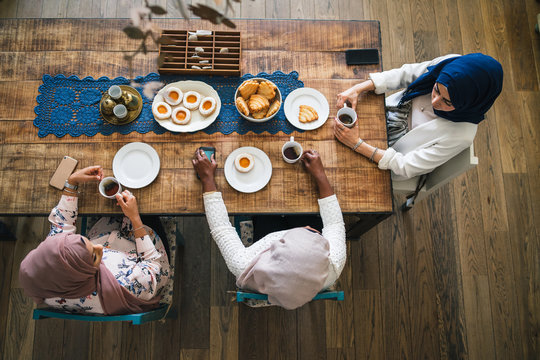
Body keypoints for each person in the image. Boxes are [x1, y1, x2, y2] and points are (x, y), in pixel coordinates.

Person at [192, 148, 346, 310]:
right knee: (307, 213)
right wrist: (320, 174)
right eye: (311, 233)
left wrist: (207, 178)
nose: (307, 228)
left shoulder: (244, 265)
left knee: (265, 213)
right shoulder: (334, 264)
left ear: (273, 248)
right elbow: (334, 224)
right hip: (302, 283)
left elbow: (221, 229)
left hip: (269, 265)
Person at [19, 165, 171, 315]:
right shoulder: (127, 284)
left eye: (86, 241)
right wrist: (135, 218)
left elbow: (62, 226)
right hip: (149, 261)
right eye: (94, 256)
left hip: (110, 233)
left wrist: (72, 182)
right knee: (147, 202)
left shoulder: (50, 273)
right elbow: (153, 265)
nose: (100, 247)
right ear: (81, 272)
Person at [334, 53, 503, 180]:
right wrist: (358, 88)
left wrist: (356, 144)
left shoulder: (462, 135)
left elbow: (406, 166)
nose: (435, 102)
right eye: (436, 89)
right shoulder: (450, 65)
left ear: (469, 103)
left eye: (447, 102)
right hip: (383, 112)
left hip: (387, 156)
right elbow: (406, 74)